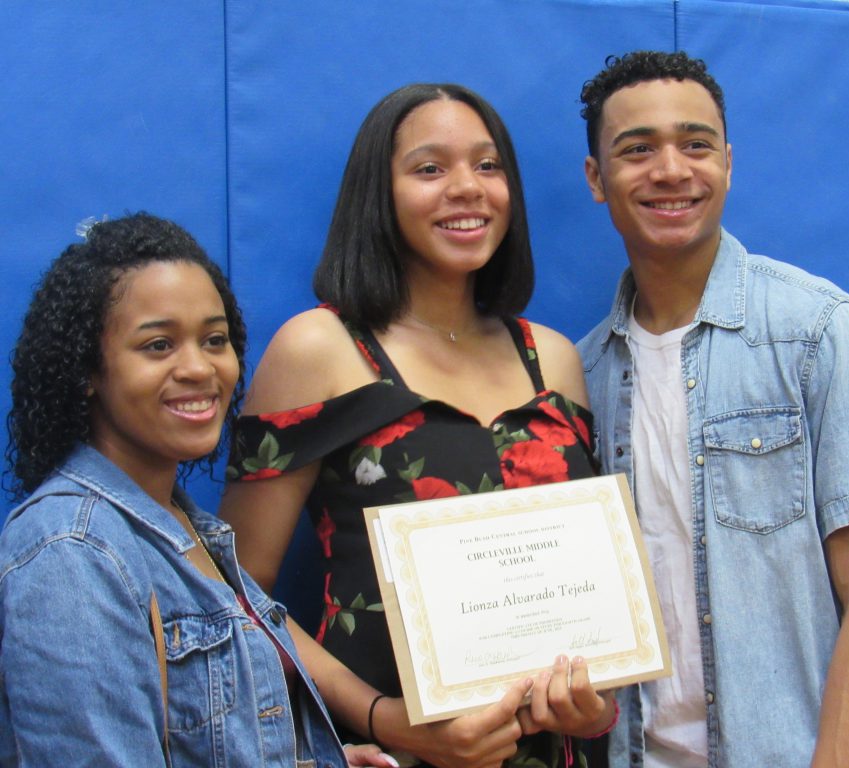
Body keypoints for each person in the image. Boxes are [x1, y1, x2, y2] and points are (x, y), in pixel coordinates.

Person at [219, 83, 617, 768]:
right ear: (380, 192)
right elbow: (235, 590)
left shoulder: (553, 360)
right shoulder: (319, 350)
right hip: (386, 753)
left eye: (488, 166)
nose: (467, 188)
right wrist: (386, 720)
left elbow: (590, 596)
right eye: (430, 169)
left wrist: (594, 700)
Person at [575, 51, 849, 767]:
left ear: (728, 163)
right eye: (637, 150)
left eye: (695, 144)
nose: (671, 169)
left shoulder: (819, 332)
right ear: (596, 180)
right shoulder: (581, 376)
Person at [0, 212, 397, 767]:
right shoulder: (72, 551)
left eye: (214, 339)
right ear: (86, 371)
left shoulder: (192, 532)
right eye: (158, 346)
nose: (199, 368)